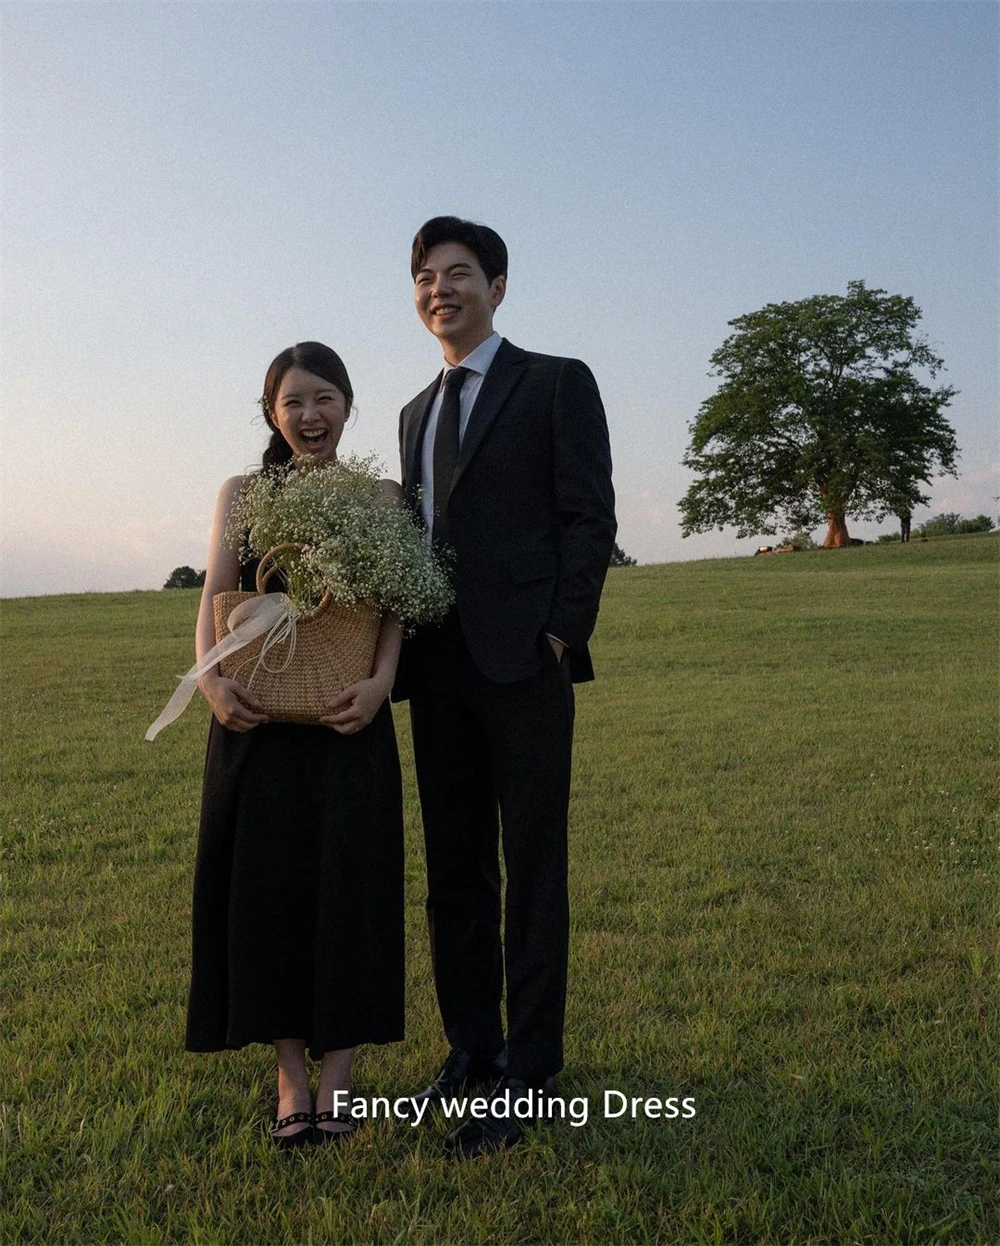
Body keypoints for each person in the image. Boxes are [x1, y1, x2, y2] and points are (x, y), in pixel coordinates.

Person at [395, 217, 617, 1158]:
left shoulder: (556, 382)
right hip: (437, 669)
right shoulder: (413, 412)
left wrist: (562, 631)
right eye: (425, 277)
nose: (440, 289)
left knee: (532, 868)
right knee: (454, 872)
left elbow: (588, 513)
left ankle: (532, 1067)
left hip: (526, 663)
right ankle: (472, 1049)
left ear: (497, 285)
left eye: (459, 274)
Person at [186, 342, 405, 1149]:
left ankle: (340, 1079)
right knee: (266, 895)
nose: (310, 416)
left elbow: (395, 606)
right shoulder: (244, 492)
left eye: (325, 399)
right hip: (254, 723)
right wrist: (208, 682)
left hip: (350, 722)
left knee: (350, 890)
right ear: (271, 414)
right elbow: (216, 592)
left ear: (348, 406)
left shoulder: (381, 496)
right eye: (293, 403)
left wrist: (382, 682)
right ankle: (290, 1078)